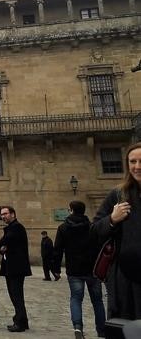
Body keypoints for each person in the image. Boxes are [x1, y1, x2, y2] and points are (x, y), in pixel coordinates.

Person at [91, 141, 141, 321]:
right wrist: (112, 219)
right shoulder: (119, 194)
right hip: (125, 280)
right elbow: (94, 231)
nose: (137, 167)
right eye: (132, 162)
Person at [54, 200, 106, 339]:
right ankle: (101, 330)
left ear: (71, 210)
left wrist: (56, 269)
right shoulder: (92, 227)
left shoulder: (63, 228)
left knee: (76, 299)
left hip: (74, 270)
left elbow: (58, 250)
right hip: (92, 269)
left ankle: (78, 328)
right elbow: (101, 247)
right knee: (97, 301)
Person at [0, 205, 31, 333]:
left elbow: (4, 241)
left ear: (13, 214)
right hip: (12, 267)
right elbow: (1, 245)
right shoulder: (12, 228)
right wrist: (2, 246)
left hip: (16, 267)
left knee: (16, 295)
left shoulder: (16, 227)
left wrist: (2, 245)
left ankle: (20, 322)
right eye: (1, 214)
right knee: (15, 294)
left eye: (5, 214)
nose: (3, 216)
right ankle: (23, 320)